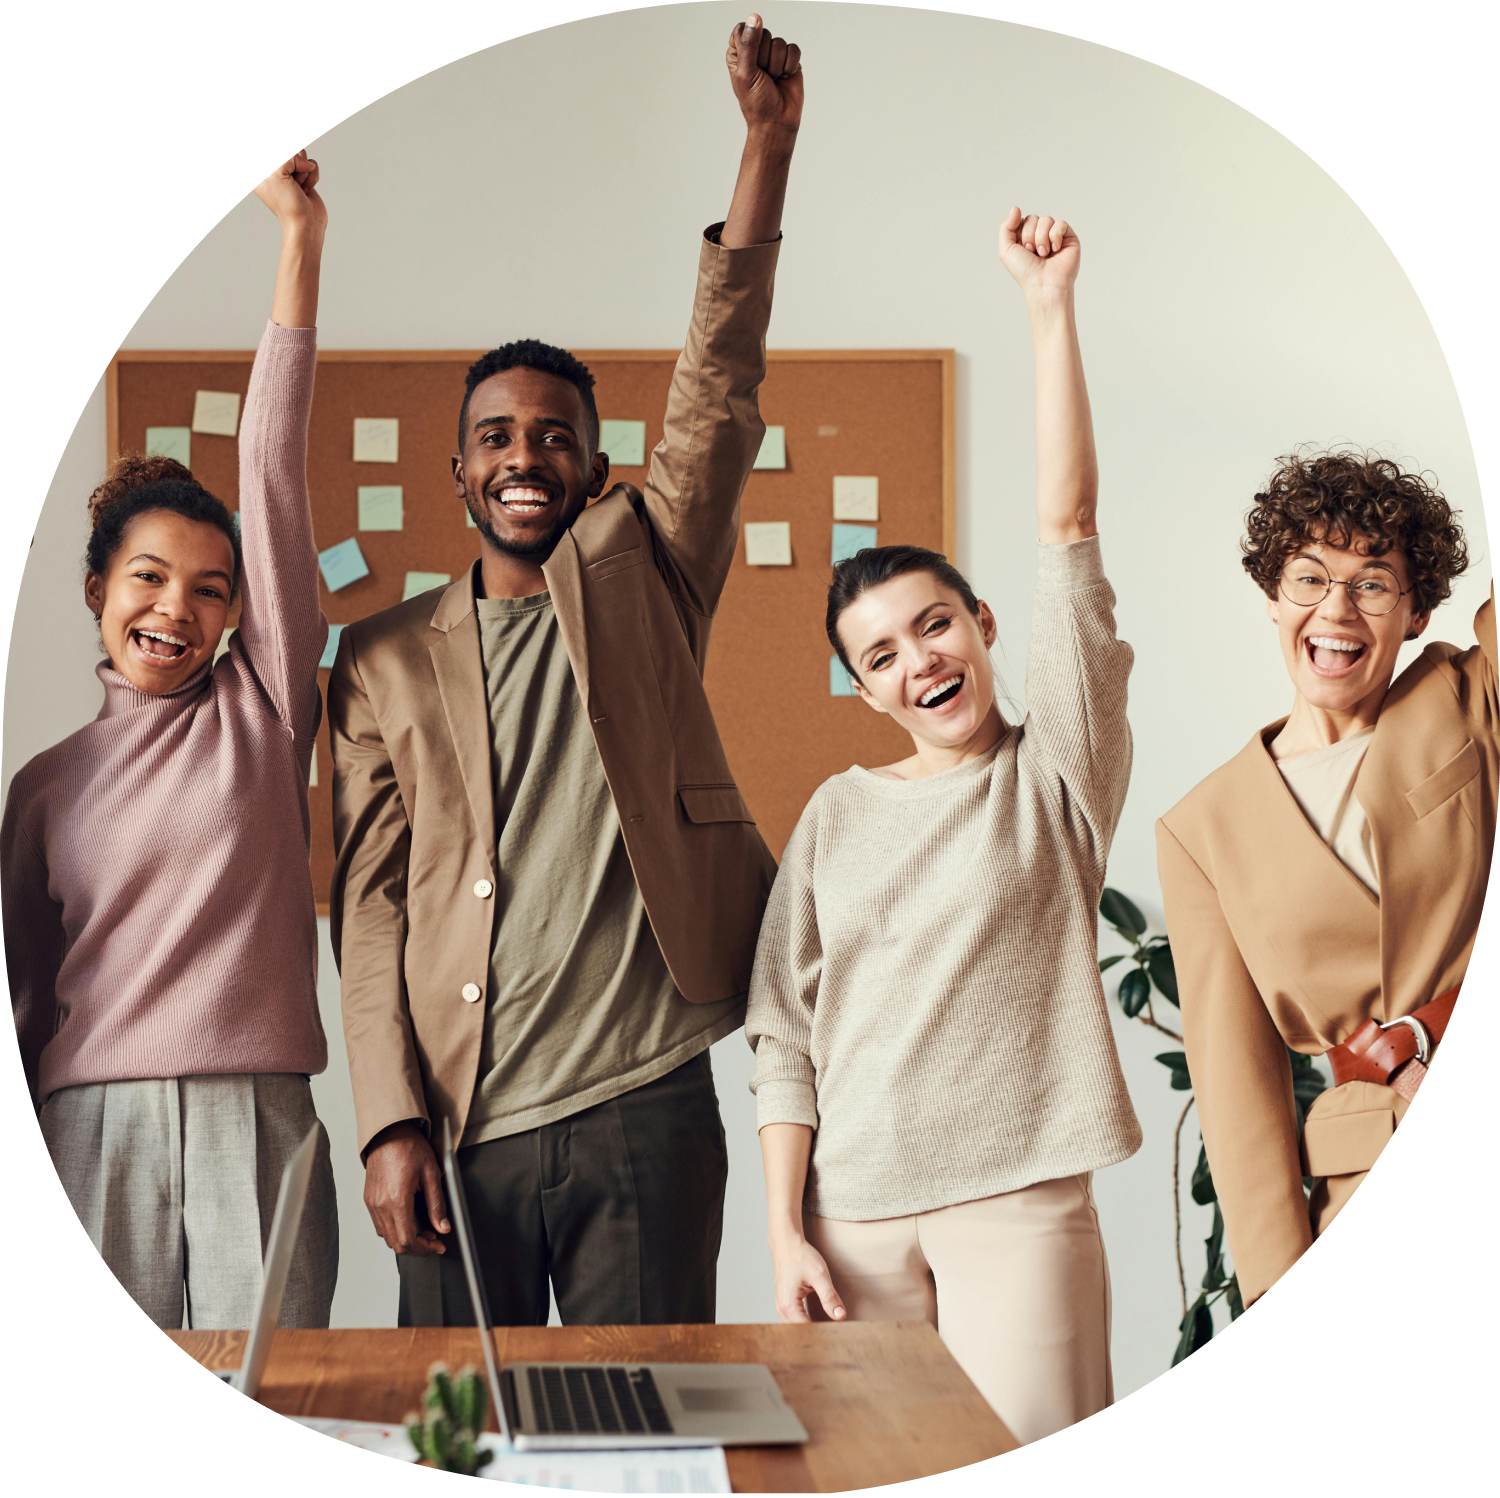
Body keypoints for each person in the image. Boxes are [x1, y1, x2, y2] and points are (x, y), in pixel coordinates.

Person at [328, 16, 801, 1327]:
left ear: (595, 467)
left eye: (553, 435)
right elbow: (368, 912)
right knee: (456, 1432)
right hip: (458, 1116)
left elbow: (717, 385)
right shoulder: (377, 662)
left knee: (644, 1438)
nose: (523, 453)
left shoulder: (648, 566)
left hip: (643, 1101)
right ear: (461, 471)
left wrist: (765, 151)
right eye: (495, 436)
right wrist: (387, 1123)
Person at [744, 207, 1140, 1445]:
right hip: (851, 1222)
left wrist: (1047, 310)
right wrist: (784, 1225)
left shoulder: (1053, 778)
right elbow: (783, 1035)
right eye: (881, 654)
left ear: (977, 623)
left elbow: (1068, 532)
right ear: (862, 690)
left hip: (1016, 1208)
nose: (917, 659)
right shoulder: (835, 812)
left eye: (933, 625)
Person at [3, 152, 338, 1329]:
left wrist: (298, 237)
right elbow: (25, 992)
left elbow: (272, 469)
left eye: (210, 589)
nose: (175, 610)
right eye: (148, 578)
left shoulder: (264, 711)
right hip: (87, 1125)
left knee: (291, 1398)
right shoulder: (44, 790)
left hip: (259, 1113)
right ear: (98, 589)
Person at [1156, 451, 1489, 1305]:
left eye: (1374, 583)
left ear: (1416, 610)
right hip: (1360, 1163)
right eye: (1309, 578)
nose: (1336, 610)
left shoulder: (1466, 697)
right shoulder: (1202, 831)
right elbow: (1238, 1101)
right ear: (1272, 596)